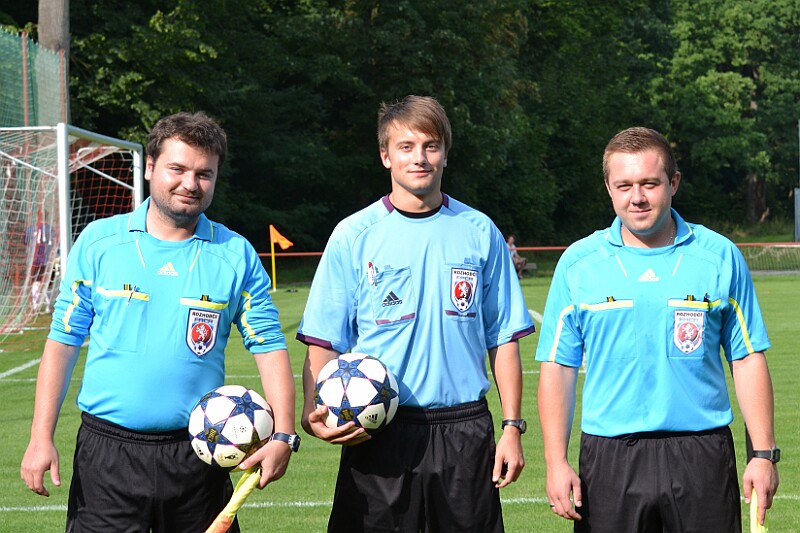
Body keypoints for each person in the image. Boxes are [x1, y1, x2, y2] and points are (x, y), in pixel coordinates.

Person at [20, 111, 299, 533]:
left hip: (200, 454)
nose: (190, 183)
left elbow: (269, 346)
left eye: (204, 174)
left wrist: (283, 435)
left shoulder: (235, 254)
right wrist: (41, 437)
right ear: (150, 166)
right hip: (107, 454)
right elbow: (63, 342)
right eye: (178, 169)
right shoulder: (99, 242)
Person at [297, 95, 535, 532]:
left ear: (445, 153)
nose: (419, 158)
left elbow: (502, 338)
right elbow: (324, 340)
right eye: (406, 147)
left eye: (431, 146)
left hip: (464, 428)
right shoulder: (353, 235)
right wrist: (315, 412)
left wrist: (512, 427)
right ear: (385, 156)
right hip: (378, 426)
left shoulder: (480, 231)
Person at [535, 126, 779, 532]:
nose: (637, 197)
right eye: (624, 185)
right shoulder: (579, 264)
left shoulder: (719, 256)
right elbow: (558, 368)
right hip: (609, 458)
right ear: (609, 189)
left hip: (701, 453)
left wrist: (763, 454)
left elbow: (747, 357)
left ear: (673, 183)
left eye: (650, 183)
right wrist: (555, 462)